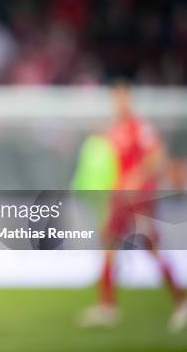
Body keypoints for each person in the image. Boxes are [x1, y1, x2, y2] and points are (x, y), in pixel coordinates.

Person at [78, 81, 187, 332]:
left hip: (139, 198)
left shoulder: (141, 127)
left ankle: (181, 302)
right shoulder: (114, 131)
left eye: (122, 98)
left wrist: (136, 177)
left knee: (152, 247)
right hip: (121, 198)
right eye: (116, 99)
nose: (119, 104)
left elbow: (157, 156)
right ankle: (107, 307)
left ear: (129, 100)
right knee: (108, 244)